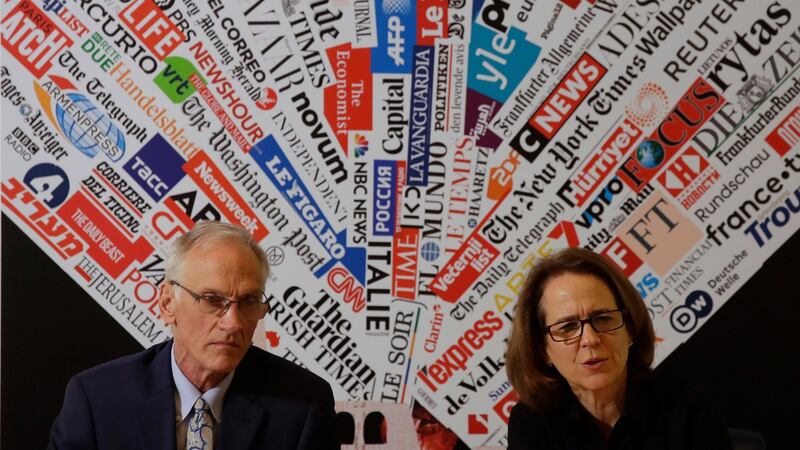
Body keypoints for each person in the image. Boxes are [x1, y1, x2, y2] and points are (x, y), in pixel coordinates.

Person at [48, 221, 339, 450]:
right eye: (213, 299)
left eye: (249, 302)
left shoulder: (303, 405)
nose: (233, 323)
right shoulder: (97, 400)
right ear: (167, 304)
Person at [505, 248, 732, 450]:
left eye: (603, 318)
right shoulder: (530, 424)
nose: (590, 339)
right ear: (542, 349)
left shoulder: (690, 407)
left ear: (630, 328)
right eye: (568, 326)